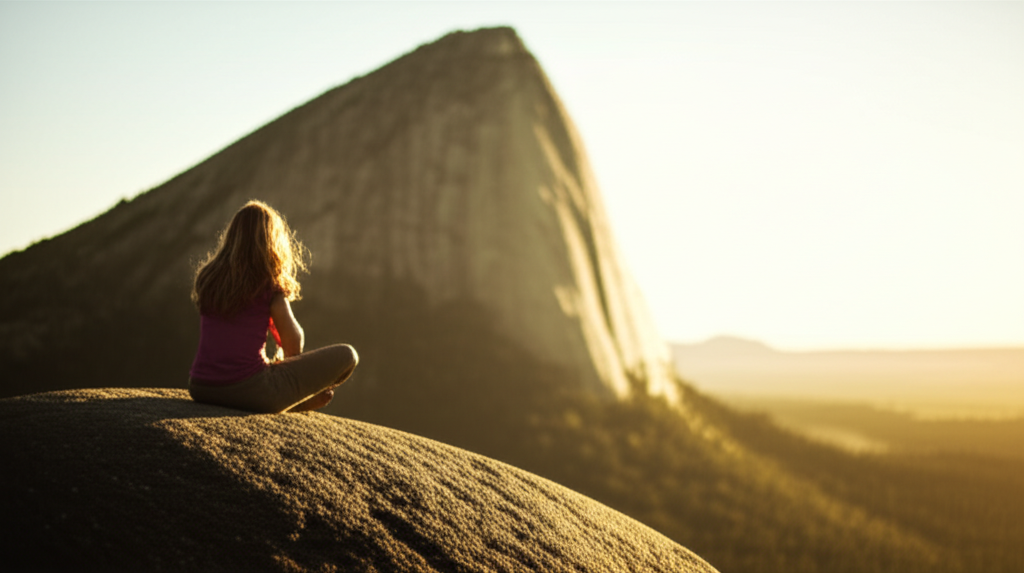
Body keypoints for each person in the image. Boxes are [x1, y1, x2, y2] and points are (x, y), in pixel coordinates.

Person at [187, 200, 357, 413]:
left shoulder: (208, 279)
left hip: (201, 386)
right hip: (249, 392)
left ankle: (287, 398)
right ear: (272, 242)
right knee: (348, 355)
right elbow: (293, 338)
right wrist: (286, 372)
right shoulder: (268, 284)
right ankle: (297, 403)